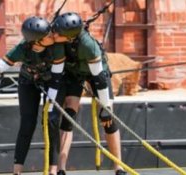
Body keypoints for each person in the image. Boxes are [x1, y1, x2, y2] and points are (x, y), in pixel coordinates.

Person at [0, 16, 66, 175]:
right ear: (36, 42)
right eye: (47, 35)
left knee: (51, 122)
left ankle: (53, 170)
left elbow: (57, 79)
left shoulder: (57, 47)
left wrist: (50, 105)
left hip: (52, 83)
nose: (52, 36)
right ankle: (17, 171)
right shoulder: (22, 49)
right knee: (27, 124)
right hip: (28, 82)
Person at [51, 12, 127, 175]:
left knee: (107, 119)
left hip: (97, 73)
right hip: (73, 73)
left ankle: (118, 166)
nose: (54, 34)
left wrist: (106, 107)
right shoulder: (59, 40)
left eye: (58, 32)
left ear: (70, 36)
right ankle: (61, 168)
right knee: (68, 116)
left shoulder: (88, 46)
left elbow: (99, 80)